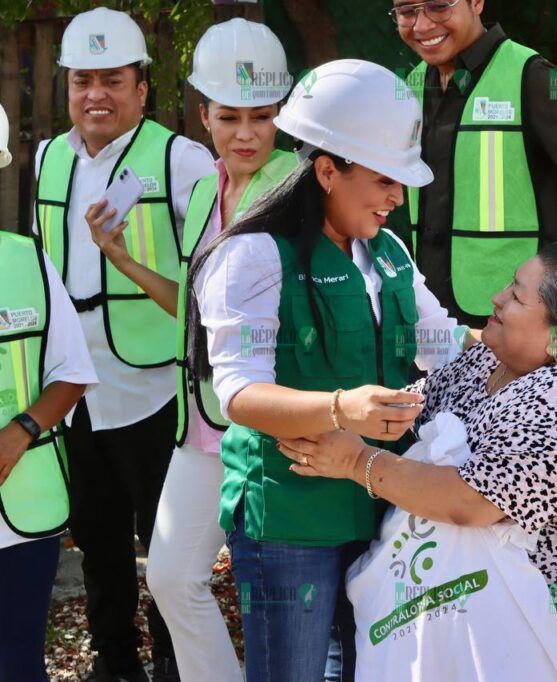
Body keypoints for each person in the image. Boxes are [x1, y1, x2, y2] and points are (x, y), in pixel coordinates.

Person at [186, 59, 471, 682]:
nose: (398, 197)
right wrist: (344, 408)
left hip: (381, 507)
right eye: (384, 180)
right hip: (290, 520)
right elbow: (237, 392)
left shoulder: (388, 251)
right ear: (325, 171)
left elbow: (444, 345)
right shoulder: (253, 256)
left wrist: (533, 344)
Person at [277, 240, 557, 680]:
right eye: (509, 285)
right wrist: (339, 408)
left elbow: (472, 501)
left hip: (556, 628)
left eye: (517, 296)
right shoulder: (491, 360)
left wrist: (356, 462)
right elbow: (413, 411)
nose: (497, 298)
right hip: (466, 614)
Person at [85, 19, 294, 682]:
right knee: (173, 580)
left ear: (280, 115)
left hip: (272, 428)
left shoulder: (300, 191)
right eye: (228, 116)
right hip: (202, 424)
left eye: (260, 117)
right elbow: (193, 307)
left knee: (280, 605)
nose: (244, 134)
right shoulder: (206, 188)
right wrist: (119, 256)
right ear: (203, 115)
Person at [33, 7, 215, 680]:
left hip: (151, 384)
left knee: (162, 543)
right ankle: (114, 660)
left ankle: (172, 663)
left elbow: (208, 277)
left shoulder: (181, 157)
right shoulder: (50, 157)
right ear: (68, 87)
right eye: (82, 80)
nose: (95, 95)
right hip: (74, 386)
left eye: (112, 79)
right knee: (97, 535)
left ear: (142, 86)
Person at [390, 0, 557, 326]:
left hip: (520, 327)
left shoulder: (529, 76)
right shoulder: (411, 86)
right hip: (431, 320)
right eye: (407, 11)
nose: (422, 25)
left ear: (476, 3)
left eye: (439, 6)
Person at [0, 103, 99, 682]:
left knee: (16, 661)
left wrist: (23, 431)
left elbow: (73, 373)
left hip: (22, 511)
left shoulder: (27, 262)